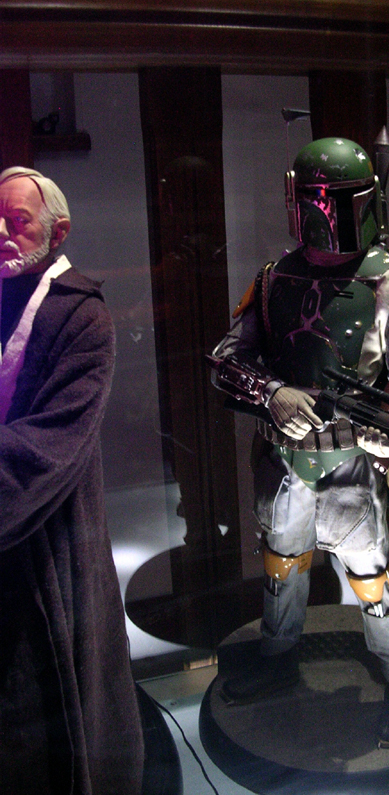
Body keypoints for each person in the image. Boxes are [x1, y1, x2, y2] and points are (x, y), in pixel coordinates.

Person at [210, 136, 389, 749]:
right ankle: (279, 659)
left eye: (334, 201)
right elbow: (228, 358)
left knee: (373, 582)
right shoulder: (274, 278)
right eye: (317, 201)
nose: (325, 214)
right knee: (281, 567)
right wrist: (272, 391)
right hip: (286, 459)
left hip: (354, 460)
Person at [0, 167, 144, 794]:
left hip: (48, 536)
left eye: (17, 220)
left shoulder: (82, 318)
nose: (2, 231)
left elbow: (50, 446)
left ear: (57, 232)